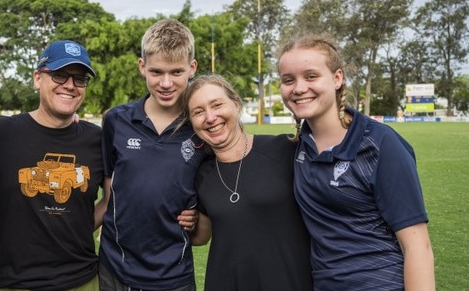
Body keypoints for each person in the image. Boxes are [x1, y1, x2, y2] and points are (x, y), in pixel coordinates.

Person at [277, 34, 436, 290]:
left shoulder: (380, 143)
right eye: (288, 80)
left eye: (311, 76)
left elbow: (418, 246)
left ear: (337, 78)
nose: (298, 88)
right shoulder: (297, 146)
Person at [0, 40, 105, 291]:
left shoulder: (97, 139)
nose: (70, 85)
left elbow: (115, 196)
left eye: (79, 79)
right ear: (38, 78)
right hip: (13, 282)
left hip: (81, 279)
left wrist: (79, 226)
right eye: (59, 75)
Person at [98, 18, 206, 290]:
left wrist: (197, 218)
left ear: (192, 68)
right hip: (115, 271)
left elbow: (208, 212)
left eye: (176, 72)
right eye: (156, 72)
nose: (166, 83)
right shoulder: (116, 121)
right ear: (142, 67)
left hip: (174, 277)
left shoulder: (202, 129)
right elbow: (111, 193)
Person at [181, 74, 313, 290]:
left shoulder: (284, 149)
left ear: (236, 104)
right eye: (198, 112)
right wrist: (187, 221)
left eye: (217, 105)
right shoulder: (201, 173)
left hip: (289, 281)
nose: (210, 117)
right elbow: (201, 237)